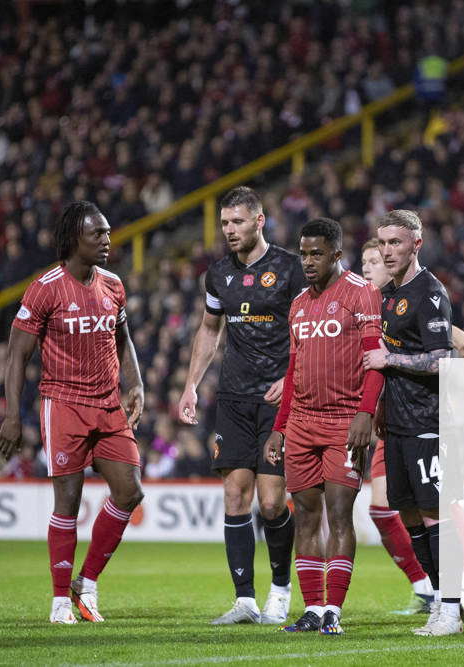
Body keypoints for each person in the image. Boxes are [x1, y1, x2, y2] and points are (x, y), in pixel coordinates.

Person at [0, 200, 145, 625]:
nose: (106, 239)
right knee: (68, 499)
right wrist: (12, 416)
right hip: (63, 404)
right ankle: (60, 600)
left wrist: (135, 384)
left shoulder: (113, 284)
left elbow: (123, 337)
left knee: (131, 491)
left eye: (108, 232)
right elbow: (17, 354)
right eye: (97, 233)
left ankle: (87, 583)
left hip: (108, 404)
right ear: (73, 238)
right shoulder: (45, 287)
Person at [360, 238, 464, 615]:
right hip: (385, 415)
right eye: (362, 261)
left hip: (421, 411)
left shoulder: (410, 295)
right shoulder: (367, 303)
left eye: (373, 260)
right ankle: (427, 585)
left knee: (438, 502)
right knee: (386, 508)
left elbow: (448, 334)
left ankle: (456, 587)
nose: (366, 268)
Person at [177, 186, 303, 625]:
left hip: (280, 398)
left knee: (271, 503)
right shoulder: (217, 275)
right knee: (234, 494)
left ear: (259, 220)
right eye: (225, 223)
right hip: (233, 396)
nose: (229, 231)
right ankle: (245, 599)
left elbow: (310, 330)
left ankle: (282, 589)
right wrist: (191, 385)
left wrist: (290, 379)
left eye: (237, 222)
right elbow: (209, 331)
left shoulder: (291, 269)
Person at [263, 218, 384, 636]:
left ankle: (334, 608)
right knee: (307, 517)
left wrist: (365, 414)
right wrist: (280, 427)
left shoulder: (361, 293)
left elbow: (375, 360)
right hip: (301, 424)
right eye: (303, 253)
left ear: (336, 253)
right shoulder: (298, 304)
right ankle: (313, 608)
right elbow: (293, 369)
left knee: (339, 514)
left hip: (343, 423)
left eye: (317, 254)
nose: (308, 261)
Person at [362, 209, 463, 636]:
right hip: (399, 421)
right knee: (409, 515)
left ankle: (454, 607)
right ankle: (439, 597)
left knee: (434, 513)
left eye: (396, 243)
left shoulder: (430, 293)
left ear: (416, 245)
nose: (387, 251)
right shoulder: (386, 294)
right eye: (382, 243)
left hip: (430, 420)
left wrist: (391, 359)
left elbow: (444, 359)